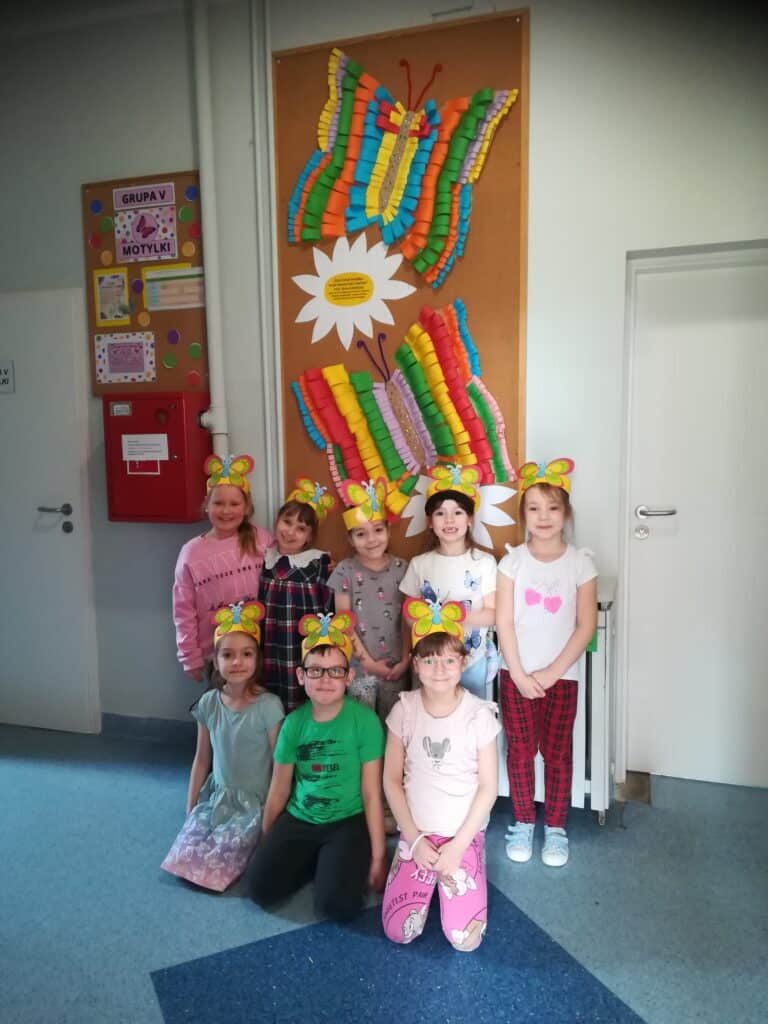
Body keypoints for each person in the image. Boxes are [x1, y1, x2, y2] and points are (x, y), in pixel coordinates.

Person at [246, 611, 387, 921]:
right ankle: (320, 861)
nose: (325, 679)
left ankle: (332, 863)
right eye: (315, 671)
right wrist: (268, 841)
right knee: (258, 888)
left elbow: (371, 794)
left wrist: (378, 856)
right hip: (300, 818)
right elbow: (279, 789)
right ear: (301, 676)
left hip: (347, 821)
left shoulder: (365, 722)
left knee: (336, 907)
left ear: (349, 677)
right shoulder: (293, 724)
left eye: (335, 671)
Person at [381, 597, 500, 952]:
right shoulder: (405, 710)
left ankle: (457, 875)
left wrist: (459, 846)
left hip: (462, 837)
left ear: (463, 661)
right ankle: (422, 879)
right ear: (416, 664)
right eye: (430, 660)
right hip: (416, 835)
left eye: (449, 660)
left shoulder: (479, 715)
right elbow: (391, 781)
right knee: (398, 932)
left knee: (465, 940)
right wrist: (414, 840)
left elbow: (488, 788)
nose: (439, 669)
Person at [495, 458, 597, 868]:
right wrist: (519, 674)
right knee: (520, 752)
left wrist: (552, 673)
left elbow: (585, 626)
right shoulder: (512, 562)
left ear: (566, 513)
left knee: (557, 754)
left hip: (563, 678)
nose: (543, 516)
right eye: (534, 508)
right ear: (523, 515)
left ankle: (555, 827)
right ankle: (523, 821)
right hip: (515, 675)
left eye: (553, 508)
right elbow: (504, 622)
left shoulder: (581, 563)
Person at [161, 600, 284, 891]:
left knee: (225, 855)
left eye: (246, 654)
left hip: (254, 803)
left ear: (257, 659)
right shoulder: (209, 703)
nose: (237, 662)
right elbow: (202, 759)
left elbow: (280, 765)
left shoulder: (268, 706)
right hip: (218, 798)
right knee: (185, 855)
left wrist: (272, 816)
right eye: (228, 655)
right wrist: (191, 806)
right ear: (216, 661)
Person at [400, 464, 497, 699]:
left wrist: (454, 616)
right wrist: (430, 622)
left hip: (471, 660)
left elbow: (493, 614)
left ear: (470, 519)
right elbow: (408, 615)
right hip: (430, 663)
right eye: (440, 513)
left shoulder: (484, 562)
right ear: (430, 521)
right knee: (428, 716)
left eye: (458, 512)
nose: (449, 520)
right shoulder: (419, 564)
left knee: (472, 717)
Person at [172, 454, 272, 683]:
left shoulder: (261, 539)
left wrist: (321, 564)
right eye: (218, 503)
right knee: (221, 704)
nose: (226, 511)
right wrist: (190, 657)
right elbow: (183, 611)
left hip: (259, 650)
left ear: (247, 507)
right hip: (217, 657)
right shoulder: (191, 553)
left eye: (234, 504)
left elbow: (288, 567)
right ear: (207, 505)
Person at [328, 476, 409, 721]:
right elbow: (343, 623)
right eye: (361, 534)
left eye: (378, 530)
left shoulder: (403, 569)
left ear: (388, 530)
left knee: (395, 726)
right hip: (360, 669)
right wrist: (368, 664)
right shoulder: (345, 571)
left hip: (396, 668)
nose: (371, 539)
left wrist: (405, 659)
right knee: (362, 727)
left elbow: (408, 620)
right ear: (350, 539)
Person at [258, 479, 334, 711]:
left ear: (309, 536)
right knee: (270, 686)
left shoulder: (318, 561)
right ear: (276, 522)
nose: (290, 532)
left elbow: (328, 605)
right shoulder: (265, 558)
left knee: (302, 686)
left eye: (301, 528)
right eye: (287, 522)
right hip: (271, 640)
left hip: (302, 640)